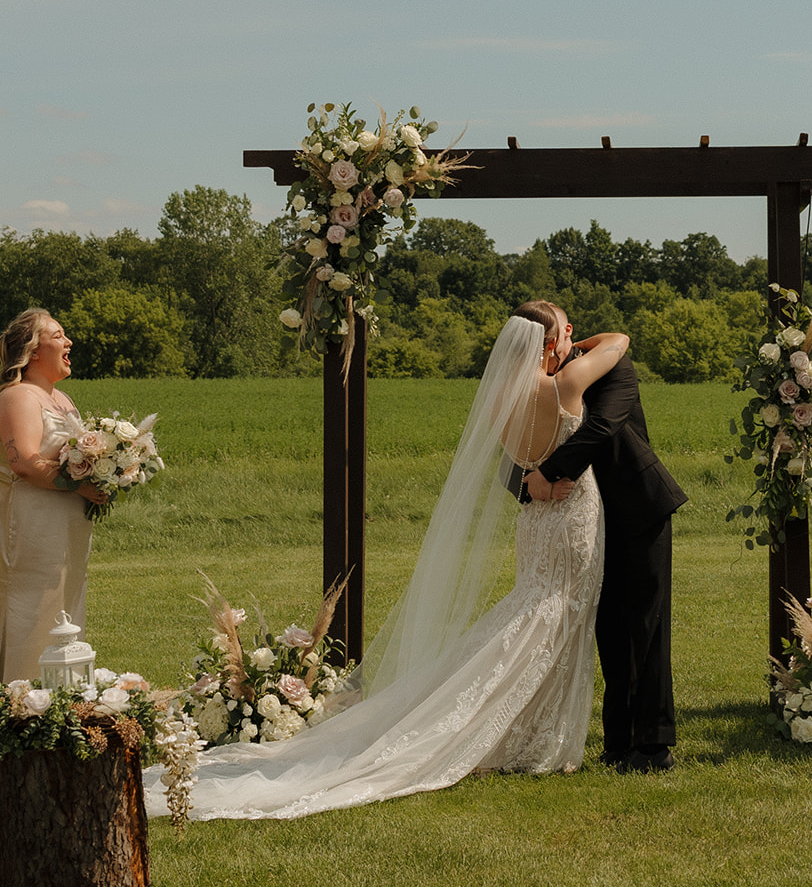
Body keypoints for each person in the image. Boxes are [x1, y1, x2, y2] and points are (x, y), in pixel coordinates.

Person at [143, 313, 629, 821]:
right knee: (557, 614)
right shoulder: (566, 383)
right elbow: (618, 342)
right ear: (551, 343)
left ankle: (531, 733)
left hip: (535, 523)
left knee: (538, 608)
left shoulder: (499, 402)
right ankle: (537, 740)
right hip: (571, 517)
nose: (573, 343)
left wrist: (559, 343)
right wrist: (576, 345)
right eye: (567, 333)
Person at [522, 302, 687, 773]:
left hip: (638, 507)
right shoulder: (534, 387)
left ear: (567, 333)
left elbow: (602, 425)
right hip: (582, 518)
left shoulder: (615, 366)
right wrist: (530, 485)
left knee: (646, 626)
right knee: (609, 629)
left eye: (549, 339)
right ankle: (617, 741)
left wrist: (549, 472)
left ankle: (654, 746)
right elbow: (518, 449)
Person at [0, 309, 106, 680]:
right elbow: (25, 462)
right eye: (58, 336)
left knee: (65, 603)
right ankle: (20, 697)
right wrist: (80, 484)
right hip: (31, 524)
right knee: (31, 607)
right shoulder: (19, 397)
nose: (69, 342)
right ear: (32, 352)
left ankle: (62, 692)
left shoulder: (63, 400)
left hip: (68, 527)